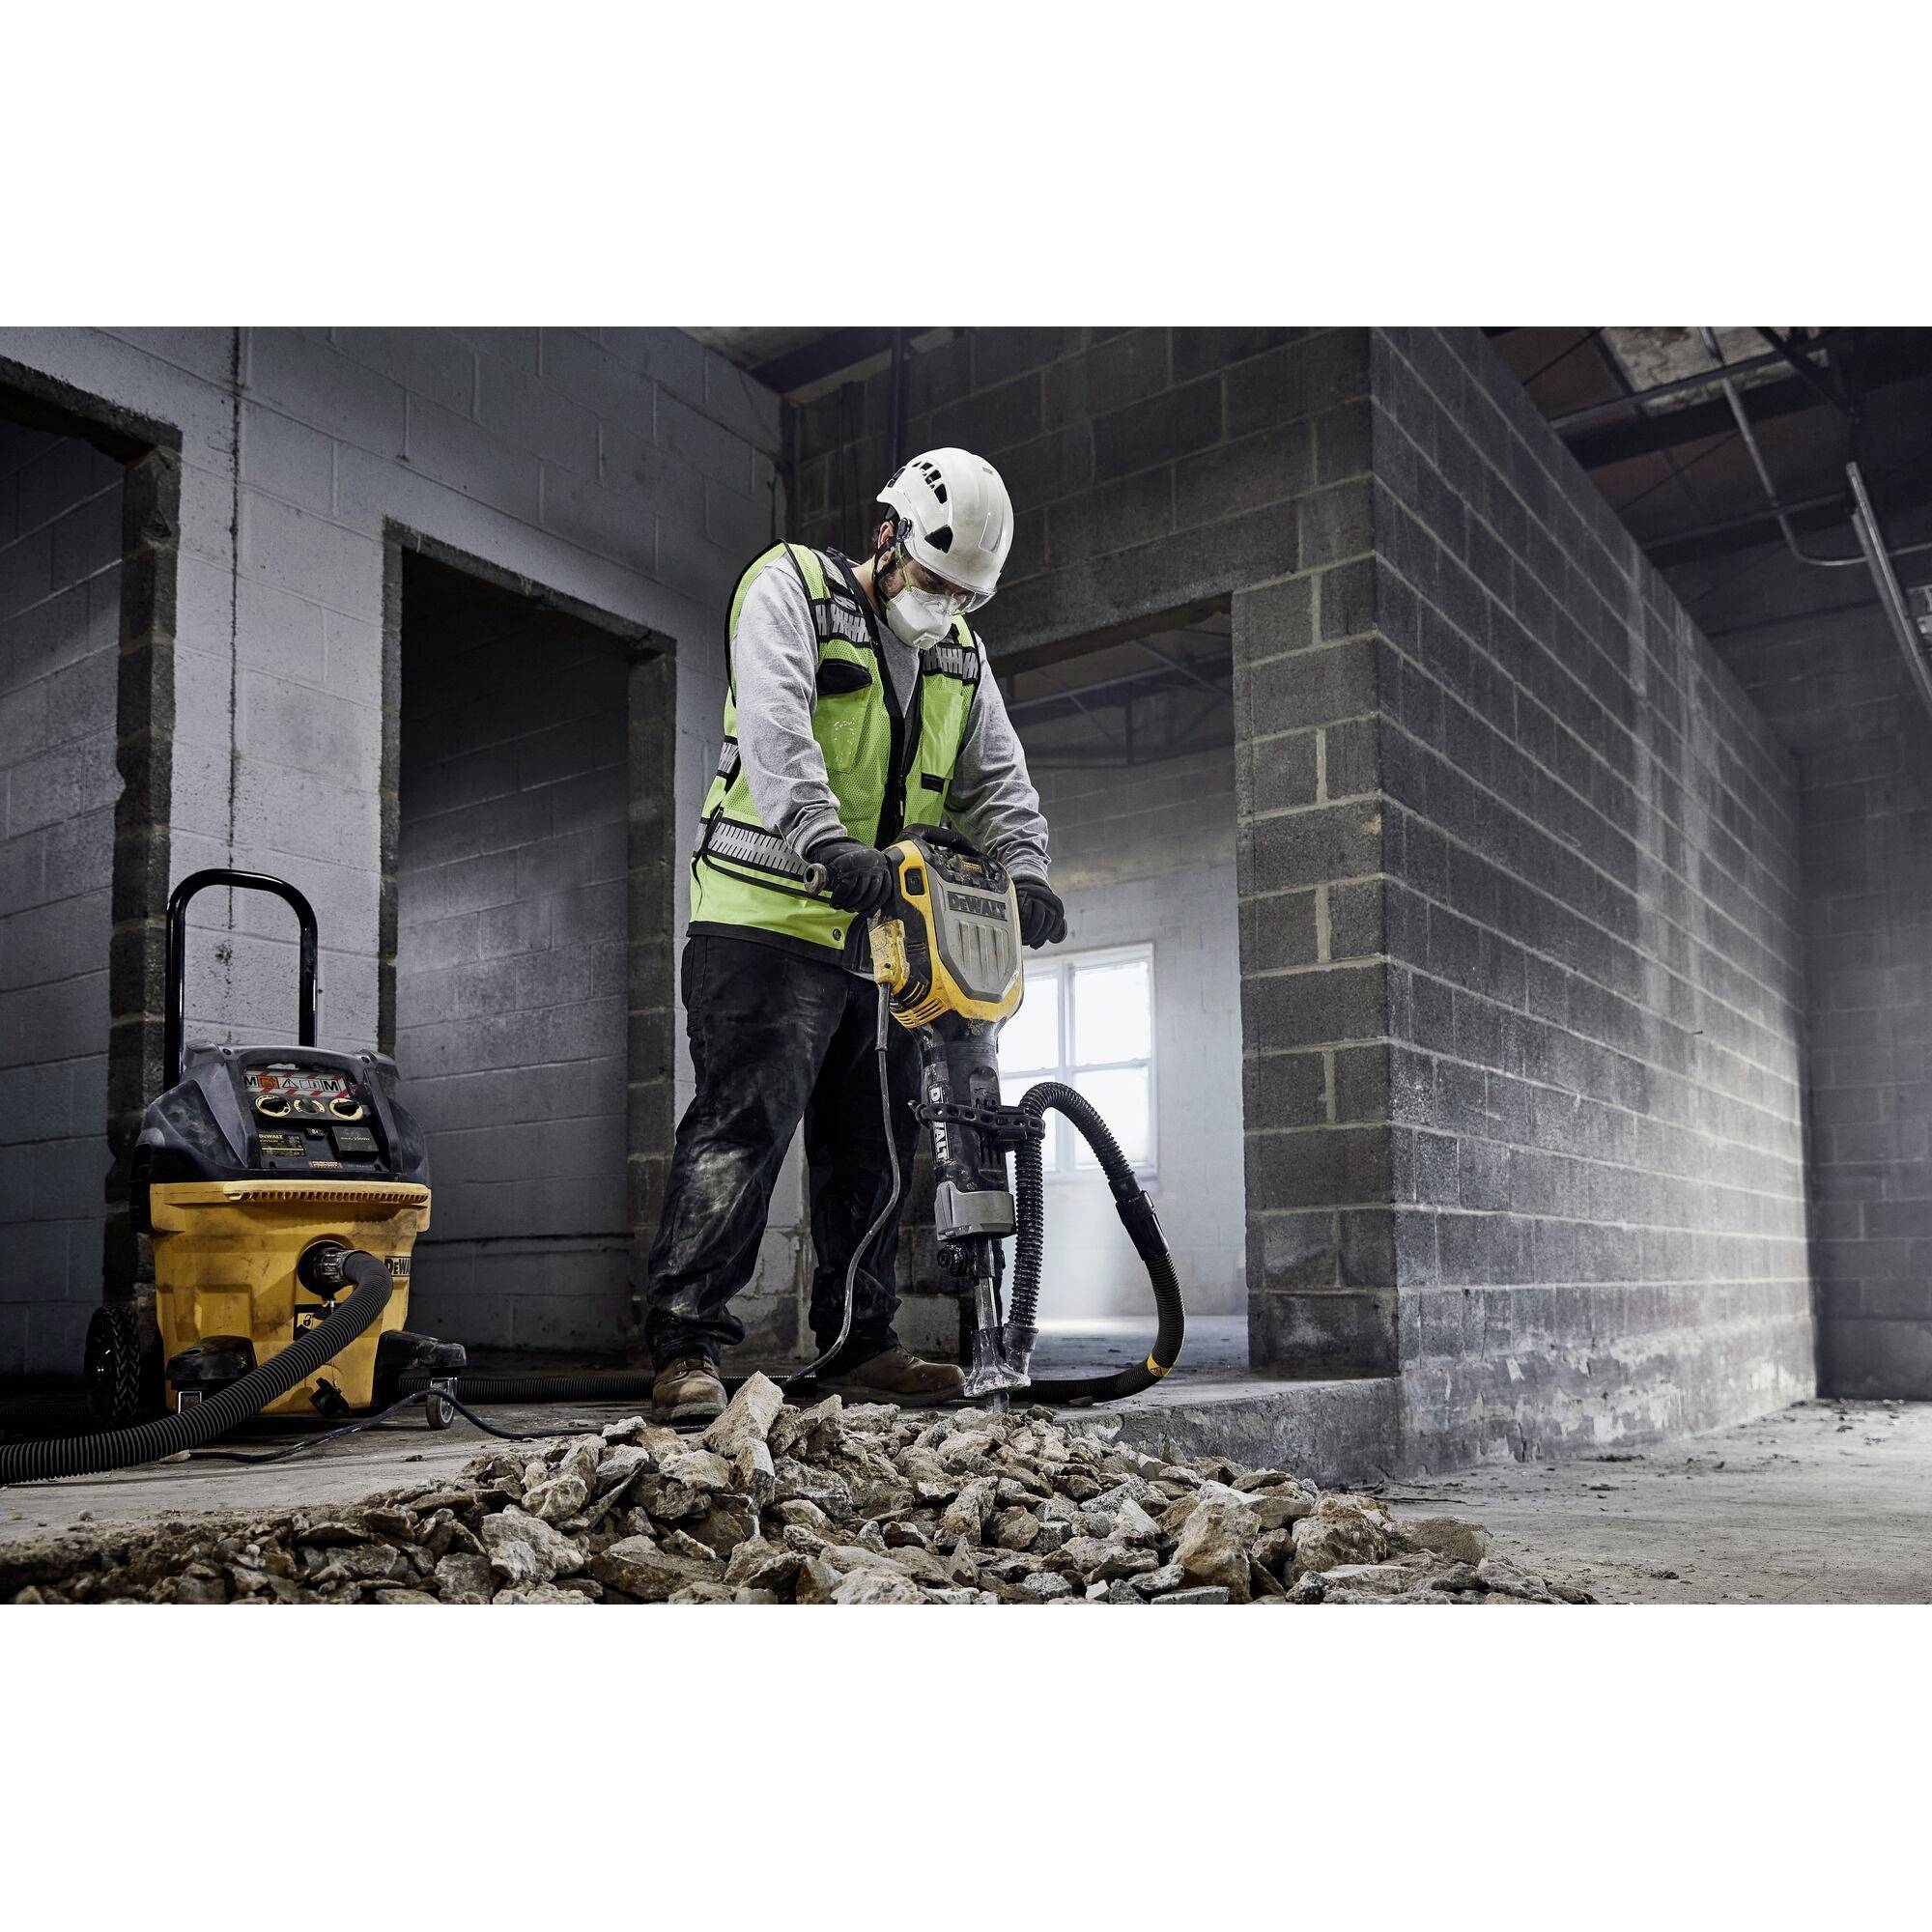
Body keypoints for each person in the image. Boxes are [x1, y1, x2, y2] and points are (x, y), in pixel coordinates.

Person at [644, 447, 1066, 1421]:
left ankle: (858, 1341)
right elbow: (777, 725)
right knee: (740, 1130)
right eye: (933, 581)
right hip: (761, 914)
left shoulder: (958, 651)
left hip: (881, 936)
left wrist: (1028, 866)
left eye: (965, 594)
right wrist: (825, 841)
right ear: (888, 537)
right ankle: (684, 1346)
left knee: (873, 1144)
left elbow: (995, 777)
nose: (944, 606)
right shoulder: (789, 585)